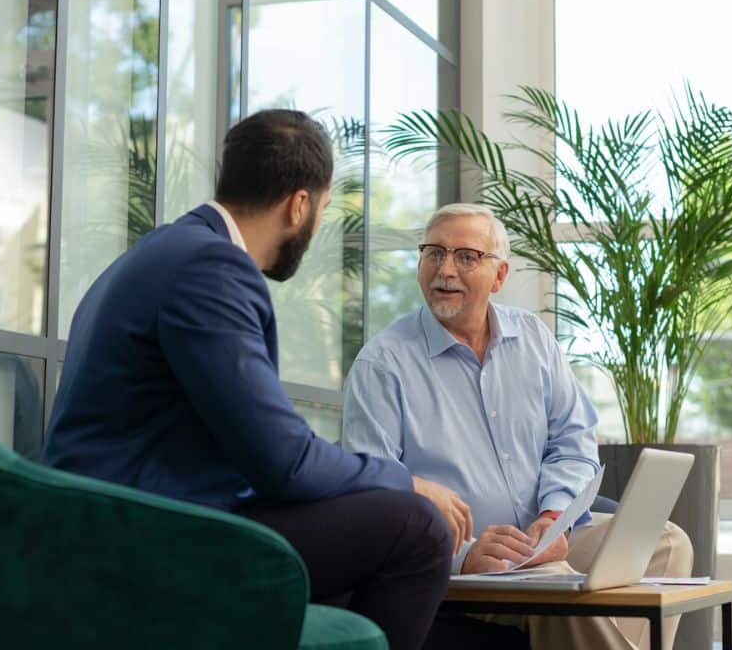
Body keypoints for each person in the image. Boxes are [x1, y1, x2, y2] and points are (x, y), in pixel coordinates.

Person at [43, 110, 471, 650]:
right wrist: (408, 480)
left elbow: (260, 452)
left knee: (355, 542)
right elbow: (283, 461)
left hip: (122, 519)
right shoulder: (211, 268)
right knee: (416, 526)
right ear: (300, 205)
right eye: (319, 210)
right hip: (145, 537)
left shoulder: (164, 252)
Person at [342, 203, 693, 650]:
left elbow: (573, 441)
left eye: (466, 256)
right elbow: (372, 496)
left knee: (666, 543)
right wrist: (465, 557)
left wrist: (554, 520)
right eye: (433, 253)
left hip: (542, 538)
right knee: (554, 583)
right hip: (465, 565)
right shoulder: (383, 363)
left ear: (500, 275)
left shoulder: (533, 339)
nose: (445, 269)